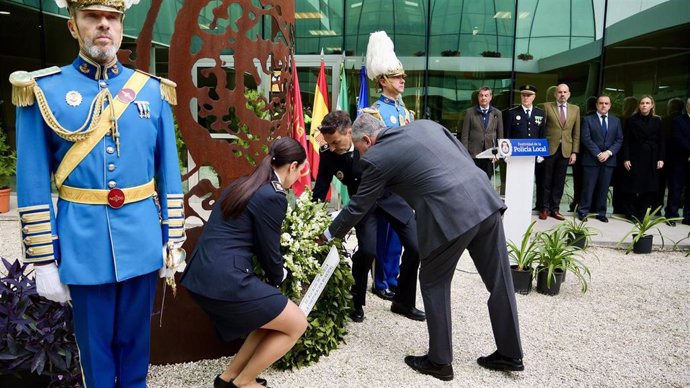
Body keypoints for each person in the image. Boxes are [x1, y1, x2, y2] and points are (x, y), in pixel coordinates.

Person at [11, 0, 185, 386]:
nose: (103, 26)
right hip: (83, 244)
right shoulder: (42, 90)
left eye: (112, 18)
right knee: (95, 351)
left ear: (121, 26)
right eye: (92, 17)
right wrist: (43, 259)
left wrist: (173, 239)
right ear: (73, 25)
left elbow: (169, 173)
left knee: (137, 346)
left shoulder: (153, 92)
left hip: (141, 241)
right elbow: (33, 182)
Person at [322, 114, 524, 381]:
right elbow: (462, 156)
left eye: (359, 149)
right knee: (500, 280)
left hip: (450, 215)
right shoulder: (428, 125)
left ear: (367, 140)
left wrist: (327, 235)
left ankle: (439, 361)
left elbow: (359, 206)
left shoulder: (377, 156)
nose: (360, 156)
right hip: (485, 199)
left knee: (433, 282)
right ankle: (510, 354)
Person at [181, 137, 308, 388]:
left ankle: (228, 378)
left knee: (271, 315)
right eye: (301, 170)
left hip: (201, 273)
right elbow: (269, 250)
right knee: (297, 324)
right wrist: (277, 278)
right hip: (226, 279)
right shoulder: (273, 196)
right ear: (292, 166)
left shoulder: (243, 183)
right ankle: (245, 383)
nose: (299, 178)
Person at [313, 111, 424, 322]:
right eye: (330, 143)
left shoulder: (371, 141)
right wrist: (313, 218)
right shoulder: (328, 154)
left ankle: (403, 301)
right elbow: (319, 190)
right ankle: (356, 303)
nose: (333, 147)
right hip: (363, 206)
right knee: (366, 251)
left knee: (415, 246)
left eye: (336, 141)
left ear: (349, 132)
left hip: (391, 198)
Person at [366, 31, 414, 301]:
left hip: (405, 185)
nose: (402, 80)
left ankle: (393, 277)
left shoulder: (405, 112)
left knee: (399, 236)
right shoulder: (373, 113)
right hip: (385, 185)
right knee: (384, 236)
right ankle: (381, 281)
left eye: (403, 77)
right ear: (383, 80)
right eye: (397, 77)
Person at [577, 95, 624, 222]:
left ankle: (601, 213)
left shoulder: (616, 121)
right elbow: (586, 138)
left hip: (608, 160)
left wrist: (608, 153)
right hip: (591, 160)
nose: (604, 105)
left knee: (604, 188)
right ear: (597, 105)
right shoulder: (587, 120)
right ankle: (583, 211)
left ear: (610, 105)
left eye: (606, 103)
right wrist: (598, 153)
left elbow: (619, 139)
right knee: (588, 187)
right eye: (601, 103)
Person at [621, 95, 665, 221]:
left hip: (651, 157)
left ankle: (641, 214)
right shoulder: (631, 120)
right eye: (642, 103)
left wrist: (661, 158)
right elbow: (627, 141)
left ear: (652, 105)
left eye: (647, 103)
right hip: (635, 157)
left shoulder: (658, 120)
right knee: (632, 187)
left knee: (648, 187)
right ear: (639, 105)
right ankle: (630, 213)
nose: (644, 105)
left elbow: (661, 141)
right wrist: (626, 158)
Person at [540, 83, 580, 220]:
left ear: (569, 94)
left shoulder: (575, 109)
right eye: (560, 92)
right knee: (546, 180)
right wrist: (540, 148)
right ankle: (544, 208)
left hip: (566, 150)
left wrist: (574, 152)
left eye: (565, 92)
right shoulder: (546, 107)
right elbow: (542, 129)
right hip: (549, 149)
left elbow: (576, 133)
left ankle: (555, 209)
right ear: (555, 94)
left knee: (559, 181)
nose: (562, 94)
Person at [460, 86, 503, 178]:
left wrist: (498, 153)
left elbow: (500, 135)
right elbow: (464, 135)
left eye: (486, 95)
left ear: (490, 97)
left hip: (490, 154)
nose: (483, 98)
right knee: (473, 179)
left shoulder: (497, 113)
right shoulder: (469, 112)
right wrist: (465, 153)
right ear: (478, 97)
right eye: (481, 95)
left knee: (487, 179)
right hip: (473, 154)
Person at [664, 97, 690, 225]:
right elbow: (677, 139)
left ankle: (688, 216)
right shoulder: (678, 121)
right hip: (680, 160)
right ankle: (671, 215)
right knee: (676, 188)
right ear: (687, 107)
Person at [612, 96, 639, 214]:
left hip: (617, 155)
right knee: (630, 185)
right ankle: (628, 209)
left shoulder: (620, 119)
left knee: (618, 185)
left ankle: (618, 208)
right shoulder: (633, 120)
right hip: (631, 157)